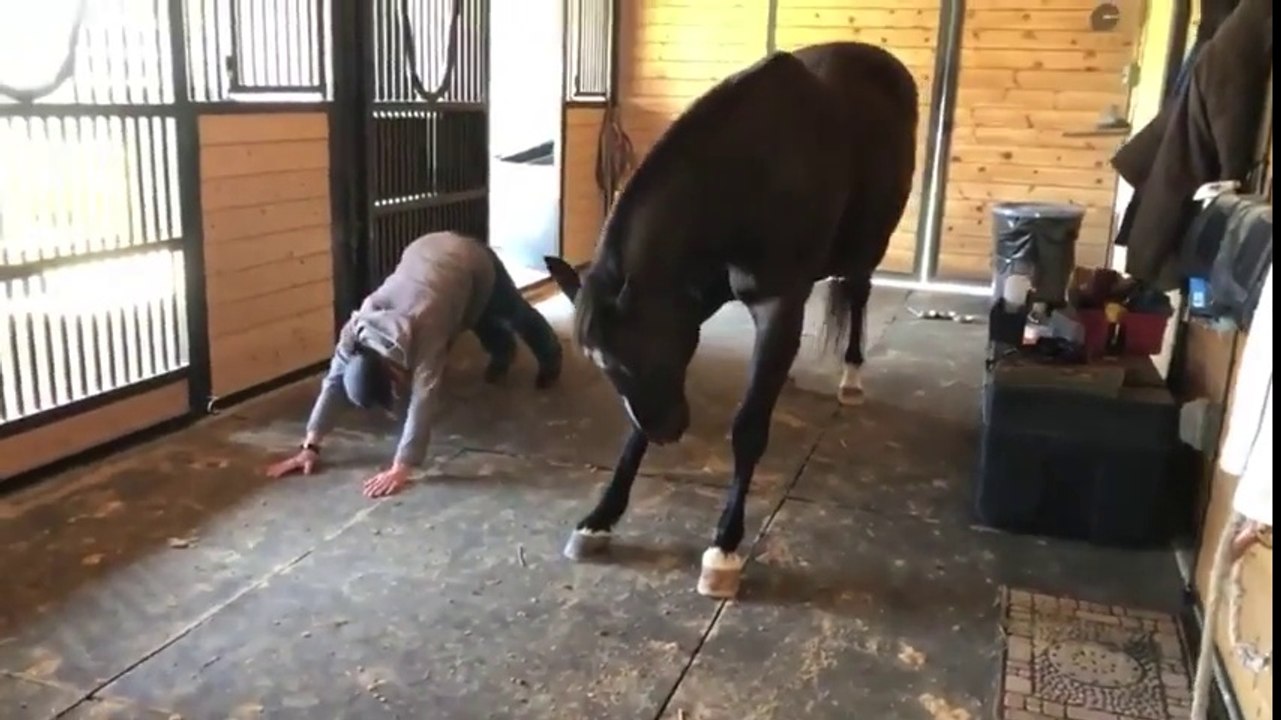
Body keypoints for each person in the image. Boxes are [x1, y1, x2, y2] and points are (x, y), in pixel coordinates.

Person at [264, 230, 563, 497]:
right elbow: (333, 384)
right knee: (472, 315)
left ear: (394, 373)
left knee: (511, 311)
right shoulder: (356, 329)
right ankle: (502, 352)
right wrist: (310, 446)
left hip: (468, 259)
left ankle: (551, 355)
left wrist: (402, 467)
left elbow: (424, 397)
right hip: (425, 256)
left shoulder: (425, 329)